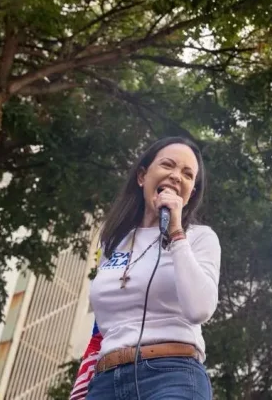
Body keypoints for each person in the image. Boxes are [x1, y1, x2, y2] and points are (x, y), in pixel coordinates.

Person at [70, 136, 221, 400]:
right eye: (168, 165)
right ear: (142, 176)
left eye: (187, 174)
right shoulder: (113, 242)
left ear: (191, 193)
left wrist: (175, 233)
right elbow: (103, 326)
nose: (176, 176)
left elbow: (199, 309)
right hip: (106, 382)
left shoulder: (199, 237)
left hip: (173, 375)